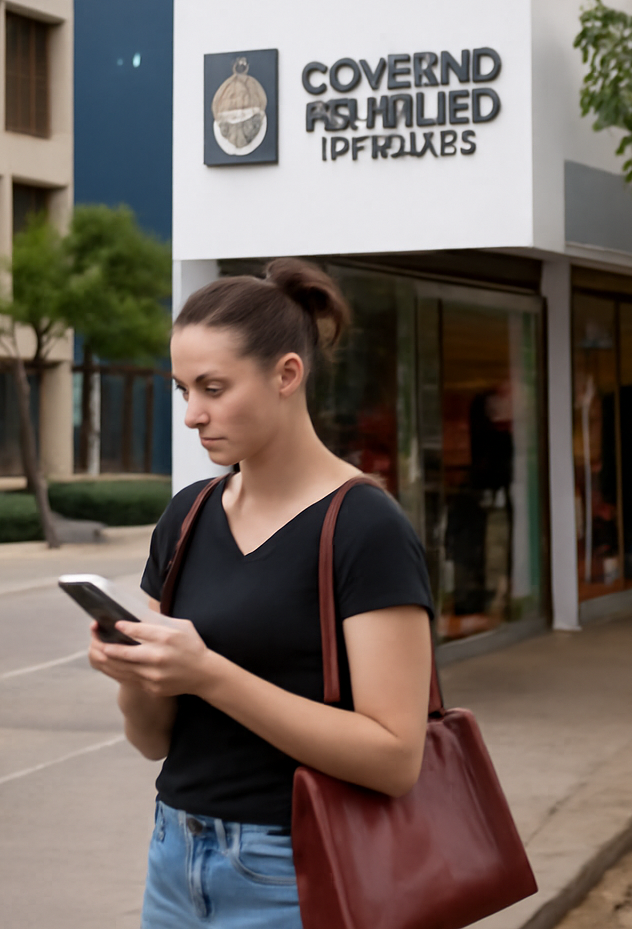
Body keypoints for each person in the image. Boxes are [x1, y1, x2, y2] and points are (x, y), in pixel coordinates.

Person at [89, 259, 434, 929]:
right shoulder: (185, 519)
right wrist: (137, 674)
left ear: (286, 375)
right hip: (173, 857)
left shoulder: (365, 527)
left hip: (297, 867)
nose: (192, 415)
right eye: (183, 389)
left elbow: (396, 758)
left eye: (213, 388)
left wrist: (210, 674)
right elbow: (153, 741)